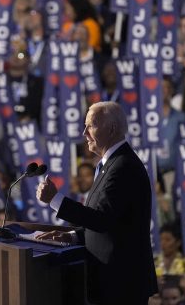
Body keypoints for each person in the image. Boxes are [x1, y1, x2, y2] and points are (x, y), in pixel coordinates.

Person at [35, 101, 157, 304]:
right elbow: (111, 222)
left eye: (91, 125)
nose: (84, 132)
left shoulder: (123, 167)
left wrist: (55, 200)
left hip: (122, 285)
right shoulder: (110, 164)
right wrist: (72, 236)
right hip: (112, 283)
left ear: (111, 129)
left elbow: (102, 219)